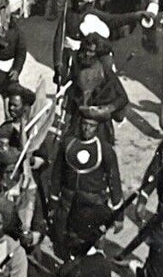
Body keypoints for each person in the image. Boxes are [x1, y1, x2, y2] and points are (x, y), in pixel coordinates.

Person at [45, 107, 122, 258]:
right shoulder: (68, 144)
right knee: (63, 245)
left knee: (91, 247)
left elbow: (114, 181)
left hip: (92, 207)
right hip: (67, 203)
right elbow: (56, 175)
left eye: (92, 126)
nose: (87, 129)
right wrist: (53, 202)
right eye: (85, 124)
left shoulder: (105, 150)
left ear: (97, 127)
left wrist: (119, 215)